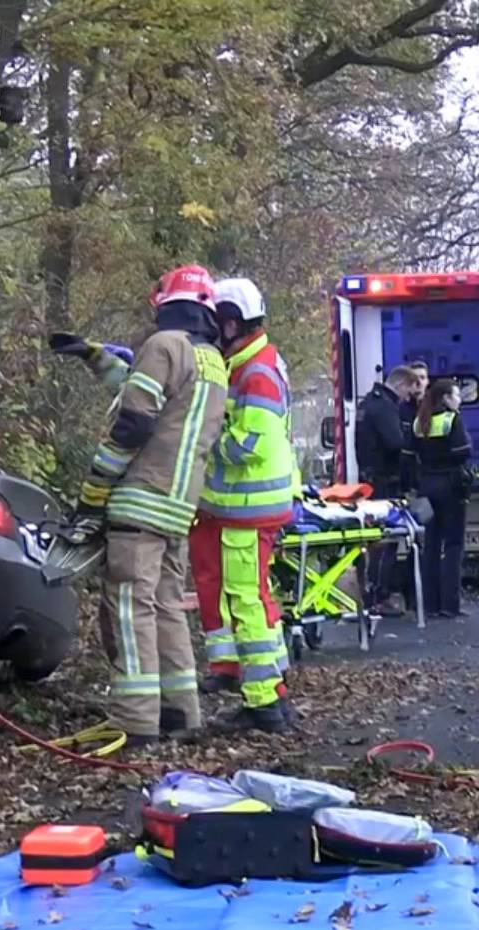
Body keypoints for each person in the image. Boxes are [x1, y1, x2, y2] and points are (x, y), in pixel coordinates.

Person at [52, 265, 228, 745]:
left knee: (129, 604)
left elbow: (134, 421)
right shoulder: (212, 360)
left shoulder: (163, 344)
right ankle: (179, 711)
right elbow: (150, 395)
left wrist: (94, 491)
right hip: (178, 505)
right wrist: (97, 358)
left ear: (163, 305)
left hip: (142, 497)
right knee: (168, 605)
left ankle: (135, 719)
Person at [192, 277, 298, 734]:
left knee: (246, 600)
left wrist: (201, 444)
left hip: (248, 509)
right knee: (255, 595)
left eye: (217, 323)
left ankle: (263, 704)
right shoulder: (251, 362)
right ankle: (273, 687)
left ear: (232, 322)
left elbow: (249, 442)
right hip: (248, 508)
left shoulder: (255, 372)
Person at [356, 365, 419, 615]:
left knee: (376, 540)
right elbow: (395, 443)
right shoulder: (385, 407)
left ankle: (371, 593)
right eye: (409, 392)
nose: (407, 399)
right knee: (386, 539)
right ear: (402, 384)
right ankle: (378, 596)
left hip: (371, 479)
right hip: (384, 482)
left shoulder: (369, 403)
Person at [413, 378, 472, 618]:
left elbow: (409, 455)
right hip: (451, 487)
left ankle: (430, 604)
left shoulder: (419, 422)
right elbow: (463, 451)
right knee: (454, 545)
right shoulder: (451, 419)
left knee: (431, 545)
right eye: (457, 395)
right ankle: (450, 604)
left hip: (426, 487)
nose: (459, 400)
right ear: (446, 398)